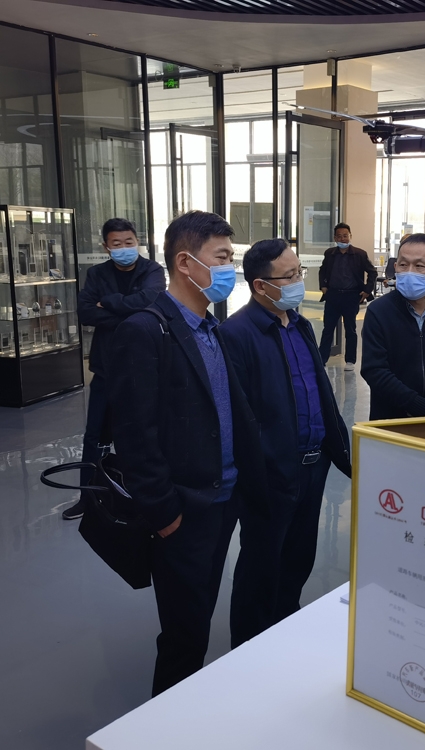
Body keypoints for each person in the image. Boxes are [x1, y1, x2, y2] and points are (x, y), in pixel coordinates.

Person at [108, 211, 266, 697]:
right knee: (184, 634)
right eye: (222, 258)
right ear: (184, 262)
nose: (229, 269)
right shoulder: (145, 331)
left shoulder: (209, 328)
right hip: (183, 512)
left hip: (221, 501)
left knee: (200, 614)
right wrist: (165, 513)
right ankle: (168, 721)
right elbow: (135, 434)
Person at [219, 238, 352, 647]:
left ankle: (284, 636)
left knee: (298, 561)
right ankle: (248, 648)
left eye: (299, 273)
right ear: (261, 286)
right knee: (261, 567)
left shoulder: (299, 324)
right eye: (290, 276)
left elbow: (320, 392)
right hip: (272, 473)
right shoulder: (236, 334)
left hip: (313, 467)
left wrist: (338, 450)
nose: (298, 282)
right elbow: (239, 417)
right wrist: (259, 470)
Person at [64, 218, 165, 521]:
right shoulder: (97, 273)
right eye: (116, 244)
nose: (124, 248)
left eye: (129, 242)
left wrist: (107, 303)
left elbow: (152, 304)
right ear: (106, 246)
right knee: (94, 436)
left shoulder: (153, 271)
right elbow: (85, 313)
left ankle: (138, 497)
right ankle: (88, 498)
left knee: (140, 436)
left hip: (143, 370)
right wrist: (130, 311)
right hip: (106, 369)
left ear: (138, 242)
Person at [361, 233, 425, 421]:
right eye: (403, 265)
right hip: (391, 420)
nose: (409, 272)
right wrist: (418, 406)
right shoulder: (379, 311)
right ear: (395, 267)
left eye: (419, 266)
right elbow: (374, 370)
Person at [317, 223, 376, 372]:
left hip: (351, 296)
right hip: (333, 295)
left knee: (350, 329)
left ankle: (350, 360)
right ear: (334, 238)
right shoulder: (329, 253)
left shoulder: (359, 254)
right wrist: (323, 286)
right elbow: (322, 271)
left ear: (350, 236)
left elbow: (372, 272)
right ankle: (321, 359)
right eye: (339, 236)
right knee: (328, 328)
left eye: (345, 235)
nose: (342, 238)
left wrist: (367, 290)